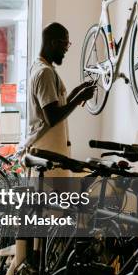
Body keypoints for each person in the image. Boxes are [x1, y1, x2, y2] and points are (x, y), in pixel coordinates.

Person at [23, 22, 96, 174]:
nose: (66, 50)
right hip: (48, 155)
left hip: (48, 152)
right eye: (65, 45)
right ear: (54, 43)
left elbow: (52, 108)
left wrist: (75, 92)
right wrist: (79, 98)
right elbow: (52, 117)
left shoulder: (39, 67)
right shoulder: (45, 73)